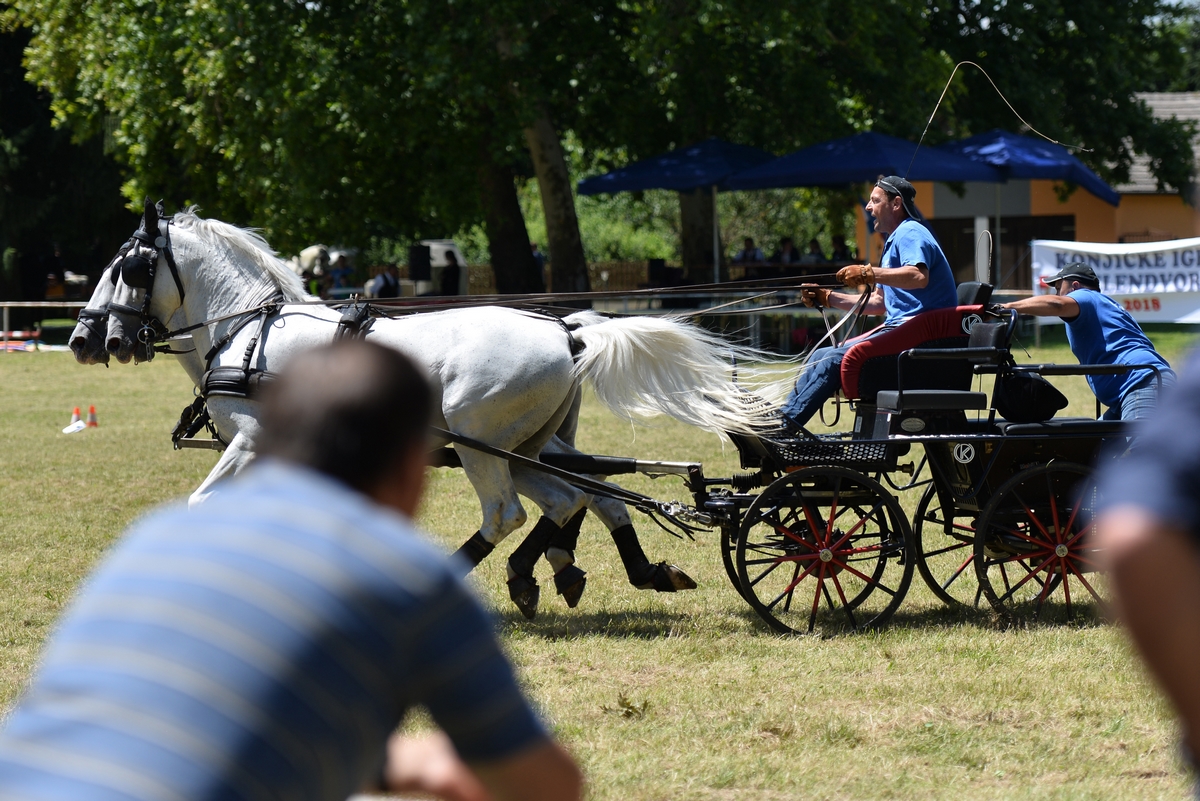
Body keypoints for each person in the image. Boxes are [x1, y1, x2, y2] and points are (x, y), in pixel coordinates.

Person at [0, 340, 583, 801]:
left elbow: (183, 719)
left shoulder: (155, 535)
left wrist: (383, 763)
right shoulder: (404, 575)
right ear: (413, 464)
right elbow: (547, 787)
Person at [1094, 349, 1200, 795]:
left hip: (1140, 382)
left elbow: (1135, 537)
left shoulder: (1085, 306)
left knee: (1130, 453)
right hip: (1131, 382)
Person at [778, 176, 957, 431]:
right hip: (905, 333)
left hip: (922, 339)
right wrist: (827, 297)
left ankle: (783, 427)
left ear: (896, 204)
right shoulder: (894, 239)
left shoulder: (909, 232)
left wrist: (868, 273)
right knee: (819, 356)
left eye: (875, 200)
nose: (868, 207)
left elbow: (918, 276)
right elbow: (879, 302)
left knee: (831, 360)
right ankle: (783, 419)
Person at [1000, 263, 1174, 420]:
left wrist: (1004, 308)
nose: (1057, 294)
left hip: (1140, 384)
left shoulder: (1085, 296)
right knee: (1094, 444)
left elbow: (1057, 304)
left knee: (1142, 446)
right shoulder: (1102, 303)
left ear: (1075, 286)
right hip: (1139, 385)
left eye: (1059, 288)